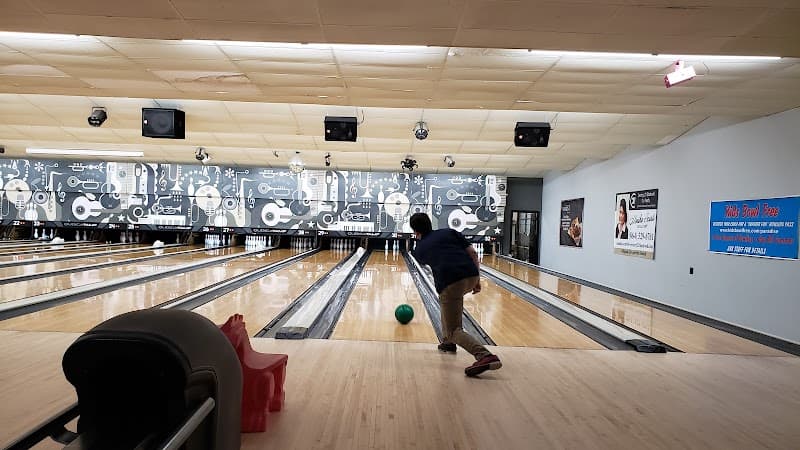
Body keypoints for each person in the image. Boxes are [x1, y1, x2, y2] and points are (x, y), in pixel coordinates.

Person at [409, 212, 502, 377]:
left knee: (453, 327)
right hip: (471, 275)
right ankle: (448, 343)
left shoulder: (419, 249)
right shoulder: (450, 232)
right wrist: (477, 280)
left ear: (415, 232)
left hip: (450, 282)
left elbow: (428, 263)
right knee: (451, 302)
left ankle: (485, 356)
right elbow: (473, 253)